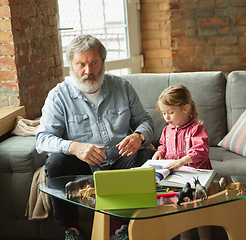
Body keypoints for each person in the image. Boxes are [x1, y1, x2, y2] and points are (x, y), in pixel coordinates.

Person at [36, 34, 155, 240]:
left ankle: (120, 227)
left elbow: (146, 121)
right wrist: (75, 147)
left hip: (120, 159)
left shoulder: (123, 87)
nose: (88, 71)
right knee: (55, 162)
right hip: (83, 164)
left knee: (148, 159)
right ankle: (72, 230)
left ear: (103, 62)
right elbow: (43, 139)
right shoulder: (58, 96)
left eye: (94, 63)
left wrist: (139, 136)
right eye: (81, 64)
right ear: (71, 65)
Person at [152, 84, 212, 240]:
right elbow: (163, 145)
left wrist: (183, 160)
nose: (166, 117)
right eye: (164, 113)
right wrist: (160, 152)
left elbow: (201, 149)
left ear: (185, 108)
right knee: (181, 213)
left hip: (195, 179)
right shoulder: (167, 130)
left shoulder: (196, 129)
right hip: (176, 180)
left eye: (170, 112)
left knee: (200, 215)